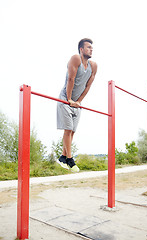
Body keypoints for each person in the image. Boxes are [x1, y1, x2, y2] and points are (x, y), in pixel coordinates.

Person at [57, 38, 97, 172]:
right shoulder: (76, 59)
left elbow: (88, 86)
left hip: (77, 102)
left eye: (92, 48)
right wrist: (69, 99)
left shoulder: (94, 66)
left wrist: (78, 101)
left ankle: (63, 157)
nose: (91, 49)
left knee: (72, 131)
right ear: (81, 49)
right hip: (65, 98)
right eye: (88, 47)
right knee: (67, 130)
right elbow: (71, 79)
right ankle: (70, 159)